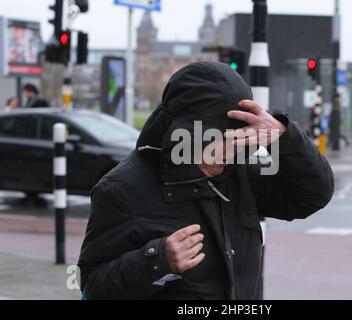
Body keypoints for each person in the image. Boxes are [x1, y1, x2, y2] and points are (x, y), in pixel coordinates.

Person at [78, 61, 334, 300]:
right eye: (217, 143)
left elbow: (313, 194)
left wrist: (284, 136)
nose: (228, 153)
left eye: (236, 141)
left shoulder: (239, 173)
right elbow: (93, 286)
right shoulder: (121, 190)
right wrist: (156, 259)